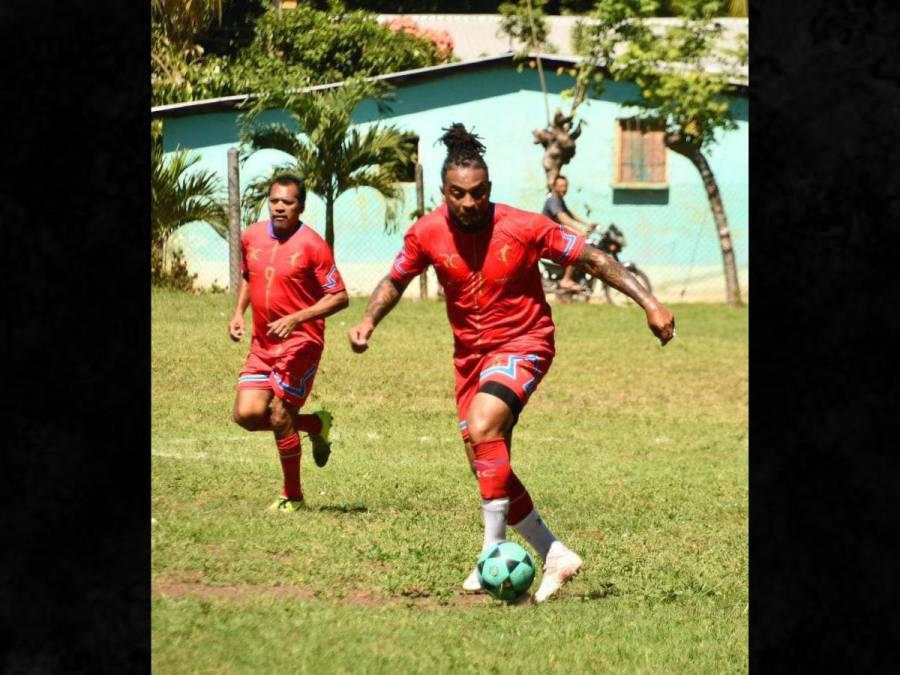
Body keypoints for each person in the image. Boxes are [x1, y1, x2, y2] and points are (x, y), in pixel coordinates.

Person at [347, 124, 675, 602]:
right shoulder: (427, 233)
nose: (469, 203)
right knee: (486, 460)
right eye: (458, 194)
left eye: (478, 193)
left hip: (525, 343)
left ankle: (491, 555)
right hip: (469, 358)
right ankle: (556, 554)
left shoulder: (524, 226)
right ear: (444, 194)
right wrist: (368, 322)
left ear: (490, 191)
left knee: (483, 426)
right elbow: (395, 280)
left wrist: (650, 302)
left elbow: (593, 259)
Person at [229, 174, 350, 512]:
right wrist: (239, 313)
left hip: (301, 343)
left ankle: (292, 496)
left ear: (301, 207)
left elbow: (340, 297)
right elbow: (247, 276)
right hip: (262, 344)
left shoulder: (313, 245)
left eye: (288, 202)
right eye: (275, 201)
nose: (280, 207)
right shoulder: (251, 236)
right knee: (248, 415)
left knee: (280, 414)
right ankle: (315, 424)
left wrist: (297, 318)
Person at [542, 175, 595, 293]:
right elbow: (563, 218)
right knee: (576, 247)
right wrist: (579, 231)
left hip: (555, 236)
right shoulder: (553, 200)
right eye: (561, 186)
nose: (564, 189)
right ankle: (566, 279)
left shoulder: (559, 199)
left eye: (565, 186)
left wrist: (586, 224)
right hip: (549, 238)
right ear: (554, 187)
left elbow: (569, 213)